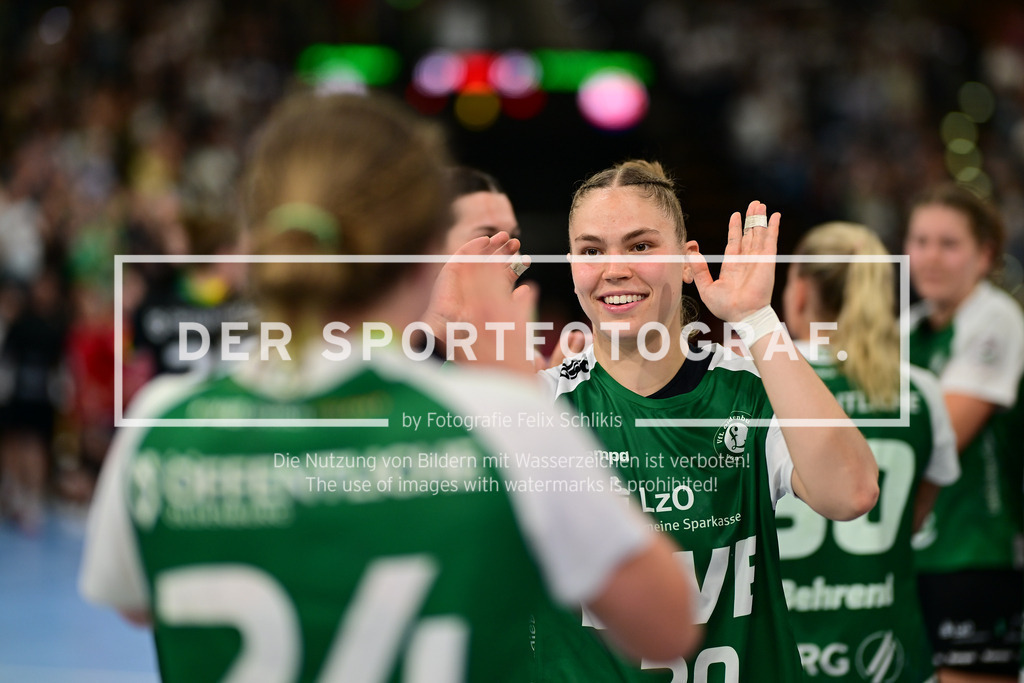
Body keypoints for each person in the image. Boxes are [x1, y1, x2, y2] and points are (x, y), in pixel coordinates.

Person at [78, 94, 700, 682]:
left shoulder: (164, 422)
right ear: (429, 248)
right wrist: (515, 389)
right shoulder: (497, 420)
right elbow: (666, 625)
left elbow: (136, 602)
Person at [489, 159, 877, 681]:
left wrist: (757, 319)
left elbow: (850, 493)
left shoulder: (751, 389)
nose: (614, 268)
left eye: (641, 246)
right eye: (591, 250)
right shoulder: (539, 403)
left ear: (687, 258)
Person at [775, 222, 959, 683]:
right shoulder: (920, 390)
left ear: (799, 291)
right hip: (888, 650)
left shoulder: (755, 387)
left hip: (780, 650)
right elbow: (912, 522)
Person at [904, 183, 1024, 683]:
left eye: (949, 244)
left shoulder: (996, 319)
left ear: (984, 255)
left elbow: (944, 435)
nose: (930, 257)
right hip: (914, 557)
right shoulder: (906, 327)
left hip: (978, 553)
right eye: (920, 241)